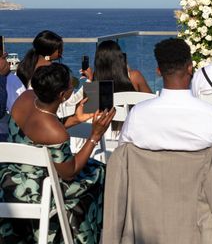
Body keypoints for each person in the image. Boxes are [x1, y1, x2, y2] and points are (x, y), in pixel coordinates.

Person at [0, 63, 115, 243]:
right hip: (38, 187)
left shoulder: (25, 97)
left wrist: (75, 119)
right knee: (100, 171)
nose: (73, 87)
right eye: (71, 86)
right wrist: (95, 135)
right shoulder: (56, 133)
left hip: (9, 177)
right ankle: (81, 235)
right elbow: (70, 172)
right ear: (62, 95)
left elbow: (37, 130)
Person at [119, 38, 212, 179]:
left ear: (159, 71)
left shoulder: (137, 114)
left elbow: (122, 158)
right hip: (198, 198)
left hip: (150, 197)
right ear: (190, 68)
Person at [6, 30, 64, 113]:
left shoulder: (24, 66)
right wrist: (88, 81)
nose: (61, 50)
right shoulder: (52, 72)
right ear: (50, 51)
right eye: (59, 48)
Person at [81, 39, 152, 93]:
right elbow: (150, 99)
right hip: (132, 112)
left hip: (106, 113)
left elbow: (90, 107)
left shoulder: (95, 79)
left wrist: (89, 79)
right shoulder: (134, 76)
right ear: (120, 57)